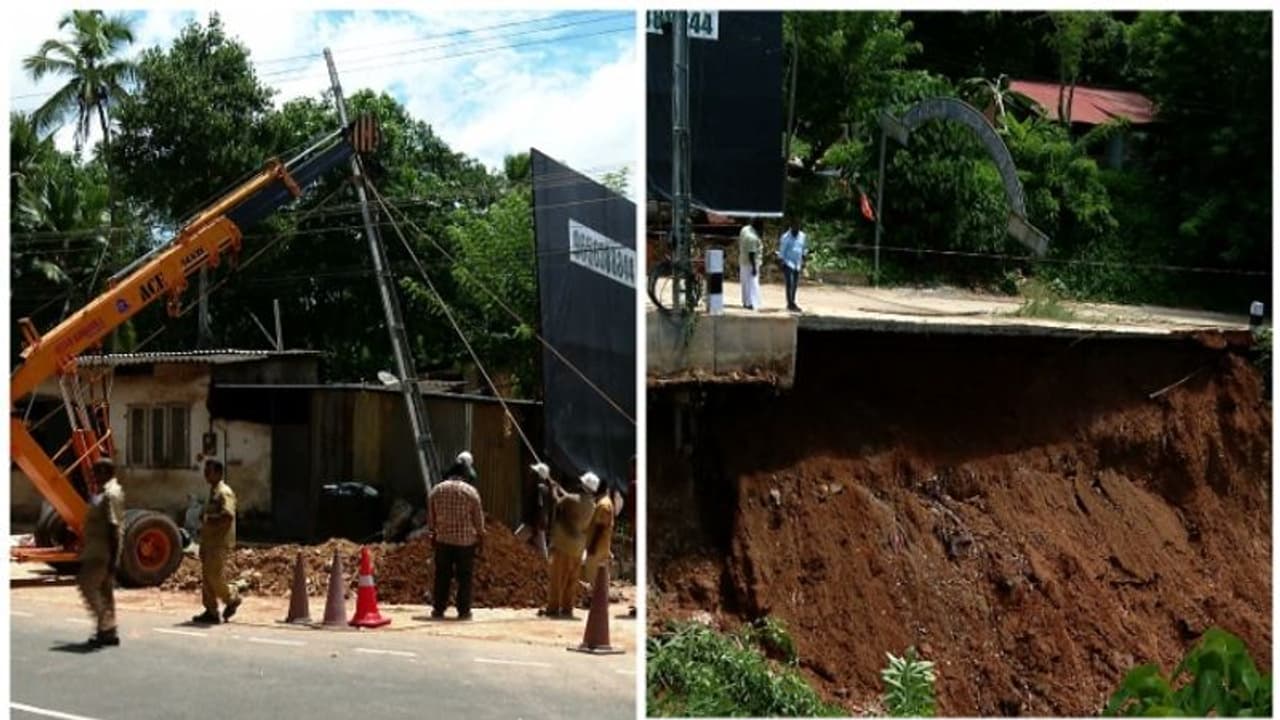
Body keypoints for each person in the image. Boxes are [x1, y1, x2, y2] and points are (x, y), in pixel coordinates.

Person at [428, 459, 485, 620]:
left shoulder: (436, 490)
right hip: (465, 544)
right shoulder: (471, 492)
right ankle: (463, 611)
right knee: (465, 578)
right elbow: (478, 522)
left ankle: (438, 609)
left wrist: (433, 534)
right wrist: (481, 540)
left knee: (442, 576)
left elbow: (431, 520)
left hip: (443, 541)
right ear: (464, 475)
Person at [78, 458, 125, 648]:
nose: (93, 477)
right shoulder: (103, 493)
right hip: (97, 549)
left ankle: (106, 625)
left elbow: (114, 528)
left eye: (96, 472)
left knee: (86, 585)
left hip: (102, 552)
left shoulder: (111, 494)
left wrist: (114, 559)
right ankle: (108, 633)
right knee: (105, 592)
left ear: (106, 472)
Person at [542, 472, 597, 619]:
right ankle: (567, 608)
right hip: (578, 547)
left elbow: (557, 501)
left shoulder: (571, 499)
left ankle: (553, 608)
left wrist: (553, 488)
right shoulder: (592, 505)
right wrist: (560, 488)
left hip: (563, 544)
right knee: (571, 579)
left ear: (583, 485)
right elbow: (571, 499)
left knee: (557, 577)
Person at [193, 459, 241, 624]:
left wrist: (208, 519)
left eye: (209, 471)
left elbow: (227, 516)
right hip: (208, 541)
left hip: (219, 542)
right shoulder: (212, 492)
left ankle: (232, 597)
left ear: (218, 473)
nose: (206, 475)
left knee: (214, 577)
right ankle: (211, 610)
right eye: (205, 471)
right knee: (206, 577)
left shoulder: (224, 492)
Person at [580, 473, 615, 592]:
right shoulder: (603, 502)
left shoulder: (603, 504)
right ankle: (600, 602)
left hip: (598, 548)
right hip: (600, 547)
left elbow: (600, 527)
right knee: (598, 578)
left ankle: (599, 604)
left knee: (594, 577)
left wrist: (592, 546)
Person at [516, 462, 551, 559]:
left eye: (534, 472)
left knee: (515, 540)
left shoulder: (539, 488)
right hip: (537, 524)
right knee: (542, 551)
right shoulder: (544, 488)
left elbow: (540, 508)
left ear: (538, 476)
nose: (531, 473)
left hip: (533, 524)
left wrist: (535, 527)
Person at [777, 217, 808, 313]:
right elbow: (782, 251)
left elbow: (804, 249)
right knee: (789, 283)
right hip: (788, 263)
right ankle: (790, 303)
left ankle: (793, 301)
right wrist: (781, 262)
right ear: (791, 227)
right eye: (795, 227)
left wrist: (804, 261)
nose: (797, 229)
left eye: (798, 227)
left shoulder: (802, 236)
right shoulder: (785, 237)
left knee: (795, 284)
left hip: (797, 263)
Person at [738, 218, 764, 310]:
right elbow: (751, 254)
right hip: (750, 263)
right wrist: (754, 268)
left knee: (745, 283)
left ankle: (745, 302)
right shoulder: (752, 237)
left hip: (742, 261)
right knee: (752, 284)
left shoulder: (745, 229)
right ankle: (752, 303)